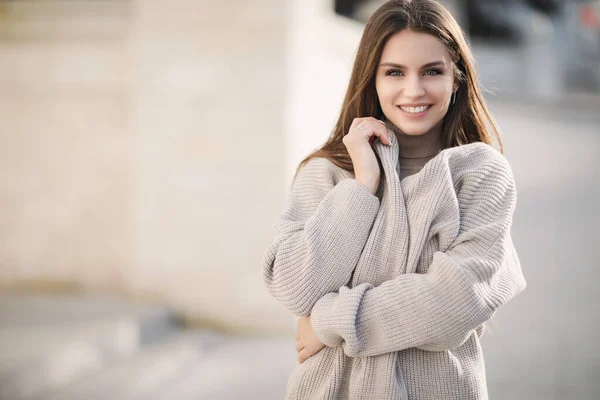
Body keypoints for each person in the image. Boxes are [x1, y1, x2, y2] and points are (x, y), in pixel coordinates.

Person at [262, 1, 527, 399]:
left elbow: (456, 302)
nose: (414, 90)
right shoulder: (329, 171)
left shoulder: (480, 174)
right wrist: (362, 186)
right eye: (394, 73)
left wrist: (327, 321)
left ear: (456, 79)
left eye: (432, 71)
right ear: (372, 80)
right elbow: (295, 288)